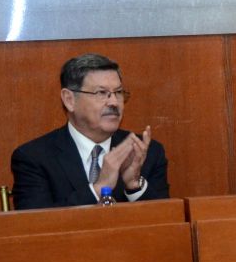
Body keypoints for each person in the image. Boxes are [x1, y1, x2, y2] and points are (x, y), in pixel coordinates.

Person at [11, 53, 169, 209]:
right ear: (69, 100)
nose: (114, 102)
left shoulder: (146, 152)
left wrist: (134, 185)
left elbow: (168, 223)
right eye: (101, 93)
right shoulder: (34, 158)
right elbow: (35, 226)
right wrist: (99, 188)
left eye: (118, 92)